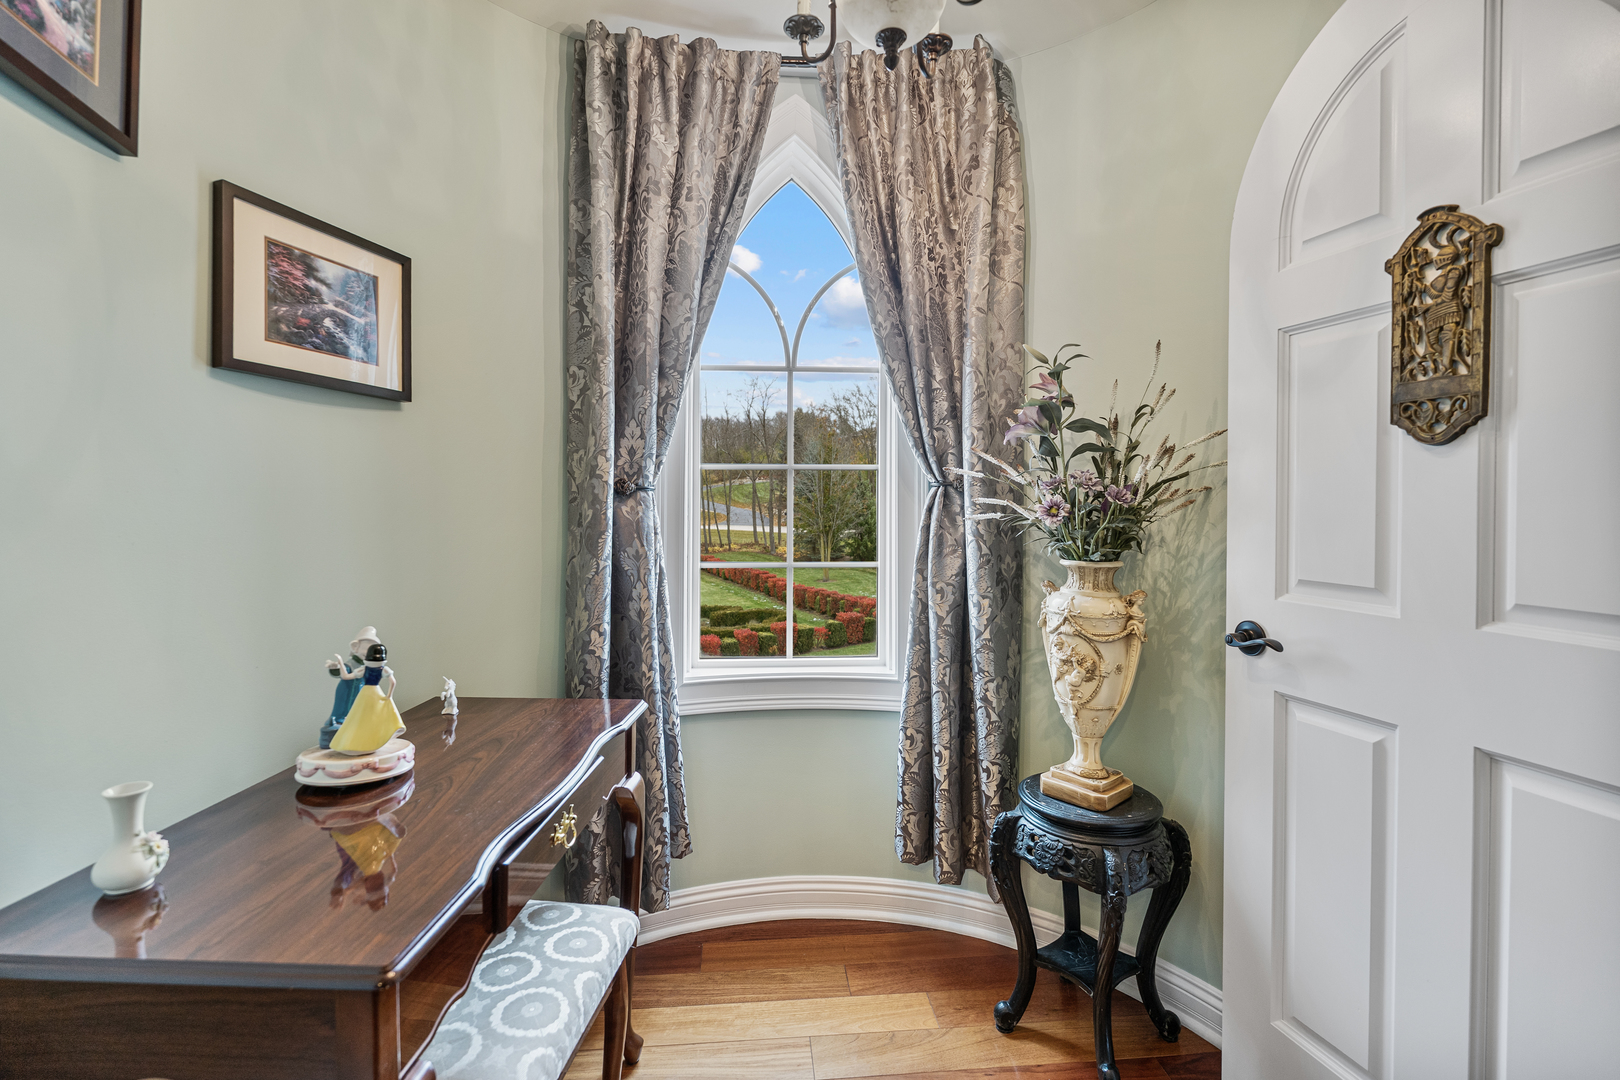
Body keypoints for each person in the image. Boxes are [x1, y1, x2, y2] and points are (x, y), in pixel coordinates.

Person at [329, 643, 405, 754]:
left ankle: (359, 741)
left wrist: (340, 662)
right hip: (376, 693)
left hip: (365, 694)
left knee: (359, 718)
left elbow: (346, 676)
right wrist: (389, 695)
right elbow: (393, 682)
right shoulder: (383, 669)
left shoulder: (364, 669)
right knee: (375, 718)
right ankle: (373, 740)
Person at [321, 627, 380, 749]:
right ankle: (337, 723)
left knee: (360, 711)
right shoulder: (351, 664)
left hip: (361, 692)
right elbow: (343, 672)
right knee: (343, 708)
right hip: (347, 691)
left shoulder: (367, 665)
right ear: (355, 647)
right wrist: (335, 667)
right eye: (367, 648)